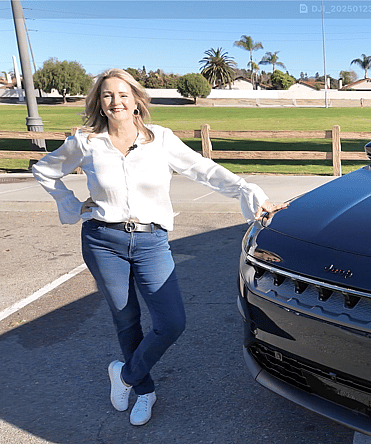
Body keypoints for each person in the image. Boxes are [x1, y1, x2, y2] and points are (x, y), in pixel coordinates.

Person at [31, 68, 285, 426]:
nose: (115, 101)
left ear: (136, 99)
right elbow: (44, 170)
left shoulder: (160, 140)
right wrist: (73, 207)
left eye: (122, 94)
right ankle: (145, 389)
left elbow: (204, 170)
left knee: (171, 322)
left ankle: (125, 374)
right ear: (99, 104)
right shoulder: (86, 142)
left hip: (151, 241)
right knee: (126, 319)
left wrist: (249, 192)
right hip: (103, 241)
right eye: (107, 95)